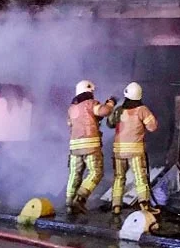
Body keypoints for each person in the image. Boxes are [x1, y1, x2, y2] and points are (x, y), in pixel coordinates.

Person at [108, 82, 158, 218]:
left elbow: (110, 123)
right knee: (140, 177)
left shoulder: (118, 110)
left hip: (118, 152)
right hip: (135, 151)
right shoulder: (142, 110)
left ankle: (116, 206)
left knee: (119, 177)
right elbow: (152, 127)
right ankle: (145, 205)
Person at [66, 80, 115, 215]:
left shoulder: (72, 108)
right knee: (96, 172)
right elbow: (104, 111)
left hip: (74, 147)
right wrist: (110, 103)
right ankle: (80, 199)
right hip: (90, 146)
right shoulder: (90, 104)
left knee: (74, 174)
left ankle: (69, 203)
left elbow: (70, 124)